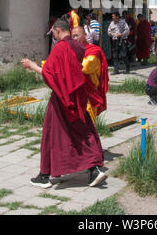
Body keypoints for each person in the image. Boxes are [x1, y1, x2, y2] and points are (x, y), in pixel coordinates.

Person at [21, 19, 106, 189]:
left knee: (52, 134)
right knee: (81, 131)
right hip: (78, 96)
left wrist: (32, 65)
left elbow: (51, 75)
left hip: (62, 98)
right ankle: (93, 169)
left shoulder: (60, 47)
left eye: (53, 32)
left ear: (58, 30)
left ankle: (45, 176)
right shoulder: (78, 47)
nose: (53, 35)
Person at [72, 26, 109, 125]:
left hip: (89, 94)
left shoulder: (94, 51)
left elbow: (85, 67)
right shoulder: (73, 51)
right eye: (72, 37)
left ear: (85, 35)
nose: (74, 39)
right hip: (75, 93)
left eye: (76, 35)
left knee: (88, 125)